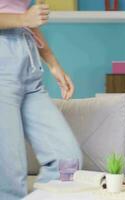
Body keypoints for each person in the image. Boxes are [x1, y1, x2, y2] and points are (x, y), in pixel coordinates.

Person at [0, 1, 82, 199]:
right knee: (9, 176)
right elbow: (24, 17)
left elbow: (26, 17)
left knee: (67, 160)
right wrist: (23, 19)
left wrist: (53, 64)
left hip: (28, 59)